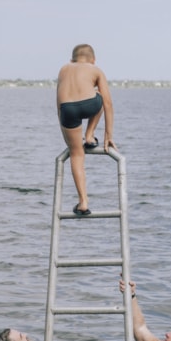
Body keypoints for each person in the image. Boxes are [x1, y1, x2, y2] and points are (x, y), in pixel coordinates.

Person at [56, 43, 115, 216]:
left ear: (71, 60)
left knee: (76, 154)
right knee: (101, 96)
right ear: (93, 61)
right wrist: (108, 136)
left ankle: (83, 201)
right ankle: (89, 136)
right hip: (90, 104)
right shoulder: (96, 70)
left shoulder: (63, 69)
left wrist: (64, 128)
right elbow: (108, 103)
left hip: (67, 110)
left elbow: (58, 103)